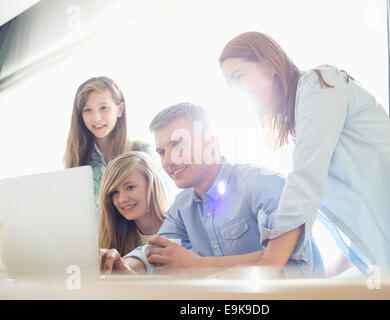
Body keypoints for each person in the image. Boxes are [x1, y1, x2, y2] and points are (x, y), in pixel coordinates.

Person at [218, 31, 390, 277]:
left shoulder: (319, 85)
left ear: (268, 63)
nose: (237, 89)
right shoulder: (304, 125)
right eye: (231, 85)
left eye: (239, 76)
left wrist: (269, 265)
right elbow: (357, 209)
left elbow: (304, 184)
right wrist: (332, 273)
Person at [99, 103, 326, 278]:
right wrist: (120, 264)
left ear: (211, 142)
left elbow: (288, 264)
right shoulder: (183, 206)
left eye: (178, 144)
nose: (169, 161)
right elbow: (151, 254)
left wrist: (196, 265)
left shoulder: (262, 184)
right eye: (161, 151)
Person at [64, 76, 162, 214]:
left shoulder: (144, 153)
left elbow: (163, 206)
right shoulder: (74, 159)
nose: (96, 117)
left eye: (103, 108)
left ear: (120, 109)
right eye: (87, 110)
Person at [98, 151, 168, 270]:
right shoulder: (116, 237)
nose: (122, 199)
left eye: (130, 187)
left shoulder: (180, 228)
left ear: (152, 184)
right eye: (115, 192)